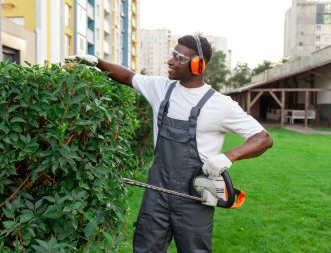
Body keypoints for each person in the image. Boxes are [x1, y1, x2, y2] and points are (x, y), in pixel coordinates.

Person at [65, 34, 273, 253]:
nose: (171, 61)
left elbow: (263, 138)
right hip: (156, 193)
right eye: (172, 54)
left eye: (179, 57)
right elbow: (128, 77)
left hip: (194, 196)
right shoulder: (162, 88)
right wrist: (97, 61)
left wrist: (228, 157)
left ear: (198, 65)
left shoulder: (220, 105)